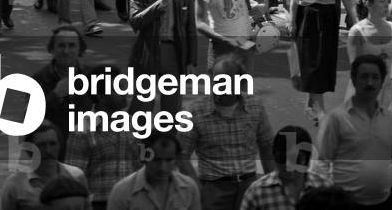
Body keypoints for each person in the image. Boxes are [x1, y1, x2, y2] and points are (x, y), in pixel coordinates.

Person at [178, 56, 274, 210]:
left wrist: (272, 186)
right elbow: (181, 155)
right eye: (216, 81)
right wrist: (197, 188)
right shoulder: (194, 112)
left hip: (249, 186)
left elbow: (267, 146)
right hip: (213, 190)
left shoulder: (256, 107)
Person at [314, 54, 392, 210]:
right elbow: (323, 164)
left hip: (385, 203)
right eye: (364, 77)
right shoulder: (336, 118)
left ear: (382, 82)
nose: (370, 83)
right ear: (353, 80)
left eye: (375, 77)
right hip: (345, 204)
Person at [290, 0, 355, 125]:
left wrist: (357, 21)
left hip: (328, 18)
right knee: (311, 62)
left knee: (323, 63)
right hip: (308, 17)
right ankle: (320, 109)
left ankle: (311, 105)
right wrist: (292, 21)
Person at [128, 0, 197, 115]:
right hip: (148, 51)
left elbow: (190, 27)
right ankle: (139, 141)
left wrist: (191, 60)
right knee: (142, 106)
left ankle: (169, 140)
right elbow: (135, 21)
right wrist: (161, 3)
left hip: (174, 52)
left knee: (172, 108)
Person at [64, 63, 141, 210]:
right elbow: (73, 180)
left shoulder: (133, 124)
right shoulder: (82, 132)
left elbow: (141, 166)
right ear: (100, 95)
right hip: (98, 204)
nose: (124, 92)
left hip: (131, 203)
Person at [32, 25, 95, 154]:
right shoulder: (39, 79)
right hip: (53, 153)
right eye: (61, 45)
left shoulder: (93, 76)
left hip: (87, 151)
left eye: (71, 45)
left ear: (80, 49)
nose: (66, 51)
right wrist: (55, 95)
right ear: (52, 49)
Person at [2, 120, 88, 210]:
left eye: (53, 144)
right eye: (41, 145)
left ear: (60, 146)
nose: (48, 150)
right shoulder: (15, 184)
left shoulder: (76, 176)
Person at [239, 126, 331, 210]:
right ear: (274, 157)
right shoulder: (257, 192)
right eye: (282, 158)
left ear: (307, 158)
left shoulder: (326, 188)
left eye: (296, 159)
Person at [107, 131, 200, 210]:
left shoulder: (189, 188)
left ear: (176, 159)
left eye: (168, 160)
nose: (162, 167)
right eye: (156, 160)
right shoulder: (122, 191)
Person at [345, 0, 392, 109]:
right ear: (368, 4)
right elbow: (355, 68)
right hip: (365, 91)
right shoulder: (357, 31)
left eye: (387, 1)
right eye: (382, 1)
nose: (387, 5)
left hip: (388, 90)